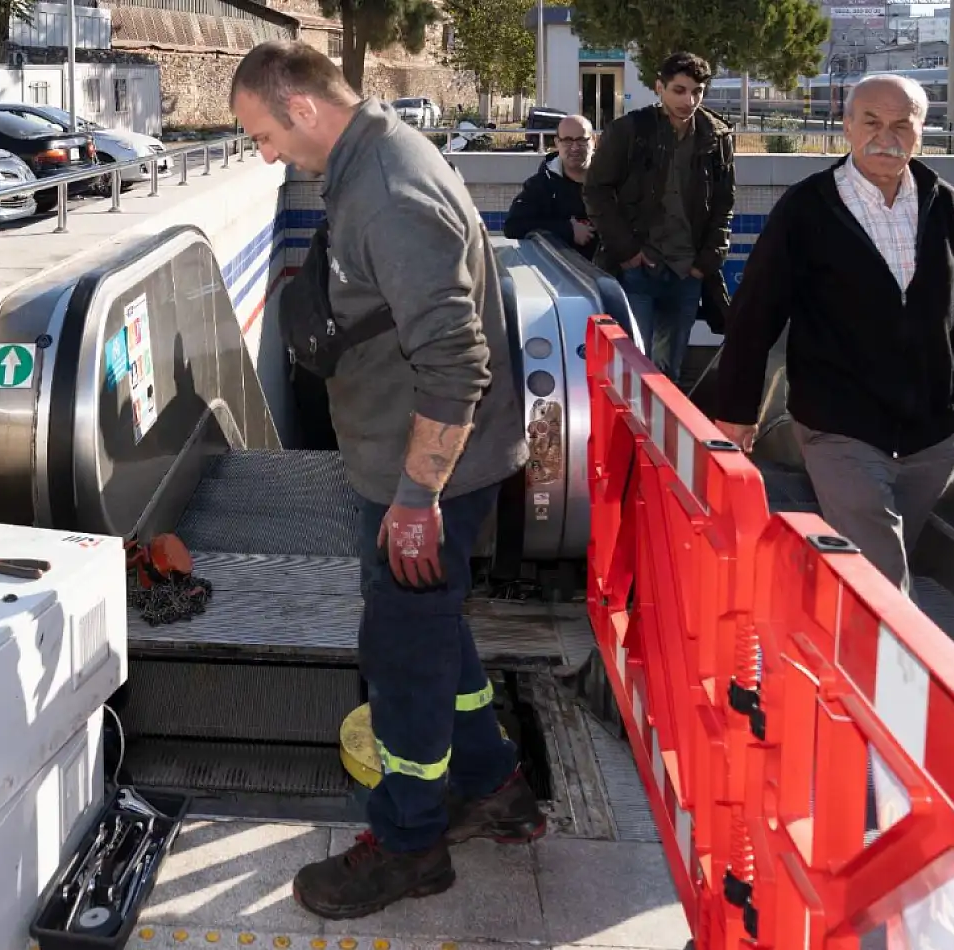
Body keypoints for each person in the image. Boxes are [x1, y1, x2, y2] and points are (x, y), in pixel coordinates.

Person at [229, 40, 543, 921]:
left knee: (401, 659)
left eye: (261, 134)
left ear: (300, 109)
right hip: (407, 461)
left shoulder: (388, 190)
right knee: (435, 632)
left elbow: (455, 358)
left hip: (426, 476)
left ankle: (408, 846)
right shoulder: (368, 157)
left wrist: (416, 500)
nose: (263, 155)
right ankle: (496, 789)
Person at [714, 74, 954, 593]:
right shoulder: (807, 207)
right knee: (882, 580)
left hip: (932, 438)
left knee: (864, 568)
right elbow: (754, 313)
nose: (888, 136)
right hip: (840, 429)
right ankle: (896, 671)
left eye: (903, 124)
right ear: (846, 127)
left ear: (922, 131)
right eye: (872, 122)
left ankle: (823, 647)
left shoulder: (943, 202)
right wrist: (737, 411)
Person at [582, 52, 735, 380]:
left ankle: (664, 433)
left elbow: (724, 203)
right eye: (679, 90)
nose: (689, 100)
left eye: (697, 91)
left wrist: (706, 260)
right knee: (632, 369)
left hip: (687, 271)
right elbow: (596, 190)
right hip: (640, 267)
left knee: (669, 374)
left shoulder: (716, 137)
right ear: (659, 88)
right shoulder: (630, 131)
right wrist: (627, 251)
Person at [503, 114, 598, 258]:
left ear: (593, 141)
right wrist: (567, 230)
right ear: (557, 143)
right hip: (560, 274)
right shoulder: (541, 185)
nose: (574, 147)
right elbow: (513, 226)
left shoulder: (613, 179)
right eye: (567, 140)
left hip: (613, 274)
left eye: (581, 140)